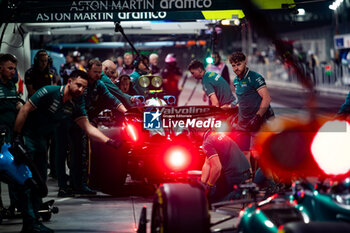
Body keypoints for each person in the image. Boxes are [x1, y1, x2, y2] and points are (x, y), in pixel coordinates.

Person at [12, 69, 121, 232]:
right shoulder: (49, 91)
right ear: (69, 81)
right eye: (78, 85)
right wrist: (16, 137)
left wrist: (109, 141)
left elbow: (88, 128)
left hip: (42, 141)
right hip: (28, 137)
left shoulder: (74, 105)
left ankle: (33, 222)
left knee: (39, 182)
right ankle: (29, 222)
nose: (81, 90)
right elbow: (25, 109)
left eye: (84, 88)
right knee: (28, 180)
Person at [68, 59, 127, 196]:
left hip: (87, 120)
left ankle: (84, 183)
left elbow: (112, 99)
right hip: (74, 121)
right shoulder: (82, 84)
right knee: (77, 154)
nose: (98, 75)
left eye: (99, 72)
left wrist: (126, 112)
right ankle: (75, 185)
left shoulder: (99, 83)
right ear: (88, 70)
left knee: (85, 153)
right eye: (95, 72)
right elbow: (80, 107)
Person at [229, 51, 274, 167]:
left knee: (259, 154)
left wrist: (258, 117)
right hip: (242, 124)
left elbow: (267, 98)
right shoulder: (235, 81)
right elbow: (241, 98)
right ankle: (249, 182)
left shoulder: (255, 77)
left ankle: (271, 182)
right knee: (243, 154)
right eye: (233, 65)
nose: (236, 68)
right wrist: (231, 105)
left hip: (257, 123)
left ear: (245, 62)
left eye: (238, 64)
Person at [199, 129, 251, 203]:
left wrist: (209, 185)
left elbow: (217, 168)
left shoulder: (207, 142)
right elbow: (207, 163)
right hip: (245, 172)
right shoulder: (215, 133)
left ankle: (236, 197)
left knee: (213, 201)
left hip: (235, 176)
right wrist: (202, 184)